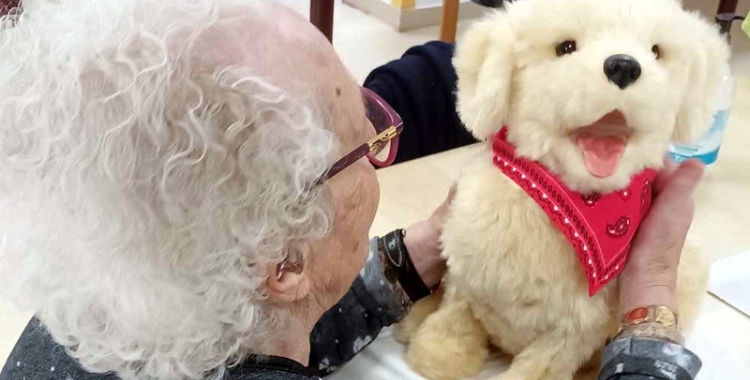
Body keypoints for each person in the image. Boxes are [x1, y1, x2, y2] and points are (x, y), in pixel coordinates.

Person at [0, 1, 703, 380]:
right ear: (283, 261)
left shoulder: (100, 302)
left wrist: (418, 252)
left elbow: (258, 332)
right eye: (364, 143)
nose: (379, 150)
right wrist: (649, 308)